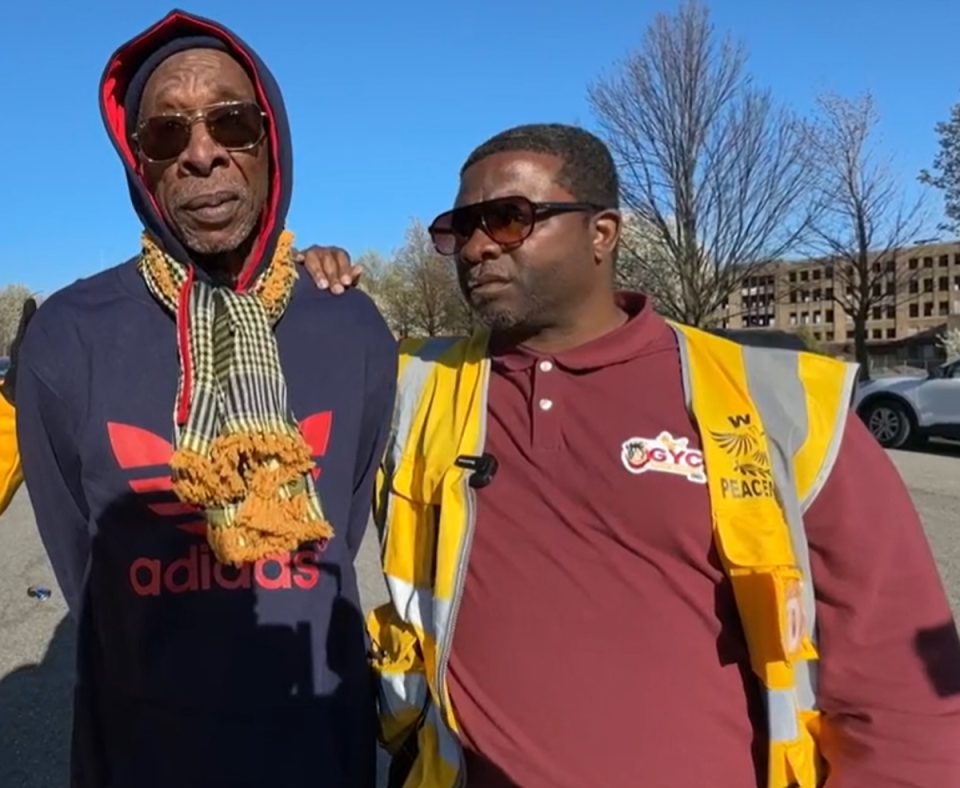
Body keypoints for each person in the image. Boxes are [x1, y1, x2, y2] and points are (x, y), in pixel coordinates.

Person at [338, 123, 960, 788]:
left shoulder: (778, 400)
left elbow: (900, 690)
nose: (477, 247)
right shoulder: (416, 386)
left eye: (508, 219)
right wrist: (315, 283)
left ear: (602, 233)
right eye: (459, 228)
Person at [14, 10, 395, 788]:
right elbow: (80, 557)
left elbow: (343, 517)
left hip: (321, 750)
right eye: (164, 135)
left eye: (231, 122)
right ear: (138, 164)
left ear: (271, 139)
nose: (201, 152)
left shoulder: (348, 323)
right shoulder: (66, 337)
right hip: (143, 755)